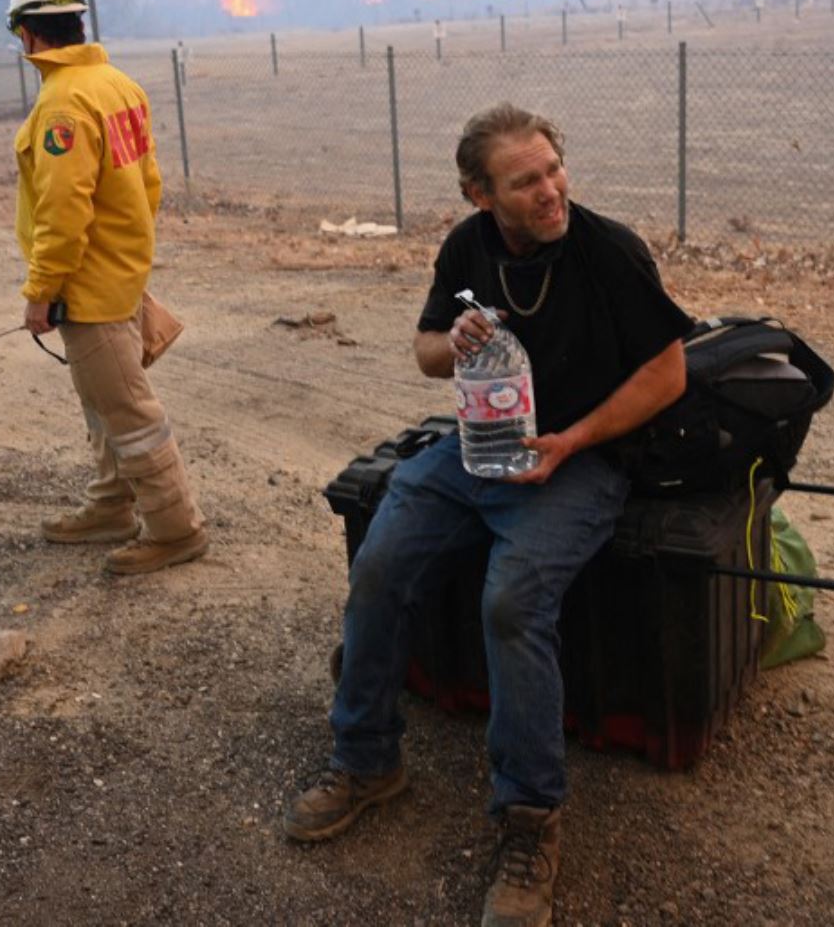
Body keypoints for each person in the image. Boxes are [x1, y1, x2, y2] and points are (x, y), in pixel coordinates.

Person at [284, 104, 692, 926]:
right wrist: (458, 340)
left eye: (553, 169)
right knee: (380, 564)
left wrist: (571, 440)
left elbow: (669, 372)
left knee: (511, 600)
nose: (550, 191)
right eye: (524, 181)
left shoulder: (608, 250)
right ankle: (365, 759)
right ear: (480, 194)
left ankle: (530, 819)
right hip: (476, 449)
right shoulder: (467, 247)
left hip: (577, 461)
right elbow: (427, 351)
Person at [7, 0, 207, 576]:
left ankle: (175, 528)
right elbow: (148, 185)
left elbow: (63, 213)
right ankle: (109, 505)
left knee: (128, 410)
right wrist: (131, 262)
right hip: (116, 277)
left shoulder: (62, 108)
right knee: (102, 402)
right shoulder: (119, 86)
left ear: (26, 33)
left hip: (87, 289)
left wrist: (41, 290)